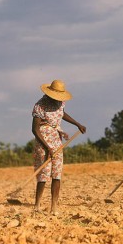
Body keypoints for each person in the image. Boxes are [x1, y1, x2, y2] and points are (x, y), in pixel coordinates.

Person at [32, 79, 86, 215]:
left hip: (56, 139)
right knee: (44, 173)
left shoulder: (61, 102)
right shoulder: (40, 105)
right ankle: (37, 205)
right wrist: (47, 147)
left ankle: (54, 207)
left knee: (57, 173)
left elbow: (62, 113)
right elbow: (35, 129)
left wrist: (77, 124)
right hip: (43, 140)